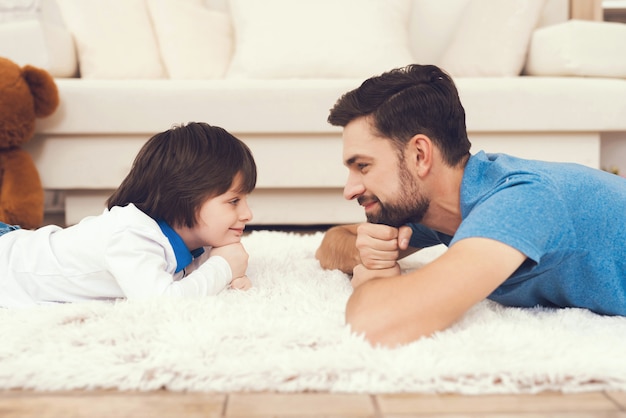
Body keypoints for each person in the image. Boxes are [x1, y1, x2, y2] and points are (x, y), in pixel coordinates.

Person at [315, 64, 626, 346]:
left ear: (420, 156)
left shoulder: (520, 202)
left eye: (363, 166)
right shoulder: (439, 207)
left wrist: (374, 280)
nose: (350, 189)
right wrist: (367, 252)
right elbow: (331, 243)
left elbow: (378, 323)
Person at [0, 122, 257, 307]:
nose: (248, 214)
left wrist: (227, 273)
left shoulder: (189, 239)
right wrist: (223, 267)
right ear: (184, 197)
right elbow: (160, 304)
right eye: (233, 201)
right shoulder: (131, 237)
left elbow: (190, 277)